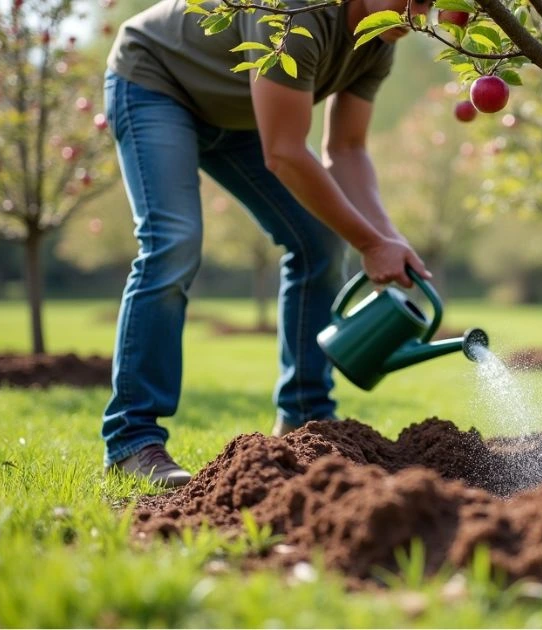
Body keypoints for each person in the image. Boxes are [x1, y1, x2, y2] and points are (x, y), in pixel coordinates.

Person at [101, 0, 432, 487]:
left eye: (427, 3)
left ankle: (304, 416)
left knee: (318, 241)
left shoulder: (379, 41)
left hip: (237, 120)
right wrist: (370, 241)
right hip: (157, 82)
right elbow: (283, 152)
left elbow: (347, 148)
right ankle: (132, 441)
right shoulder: (297, 12)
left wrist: (386, 238)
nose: (415, 12)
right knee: (173, 242)